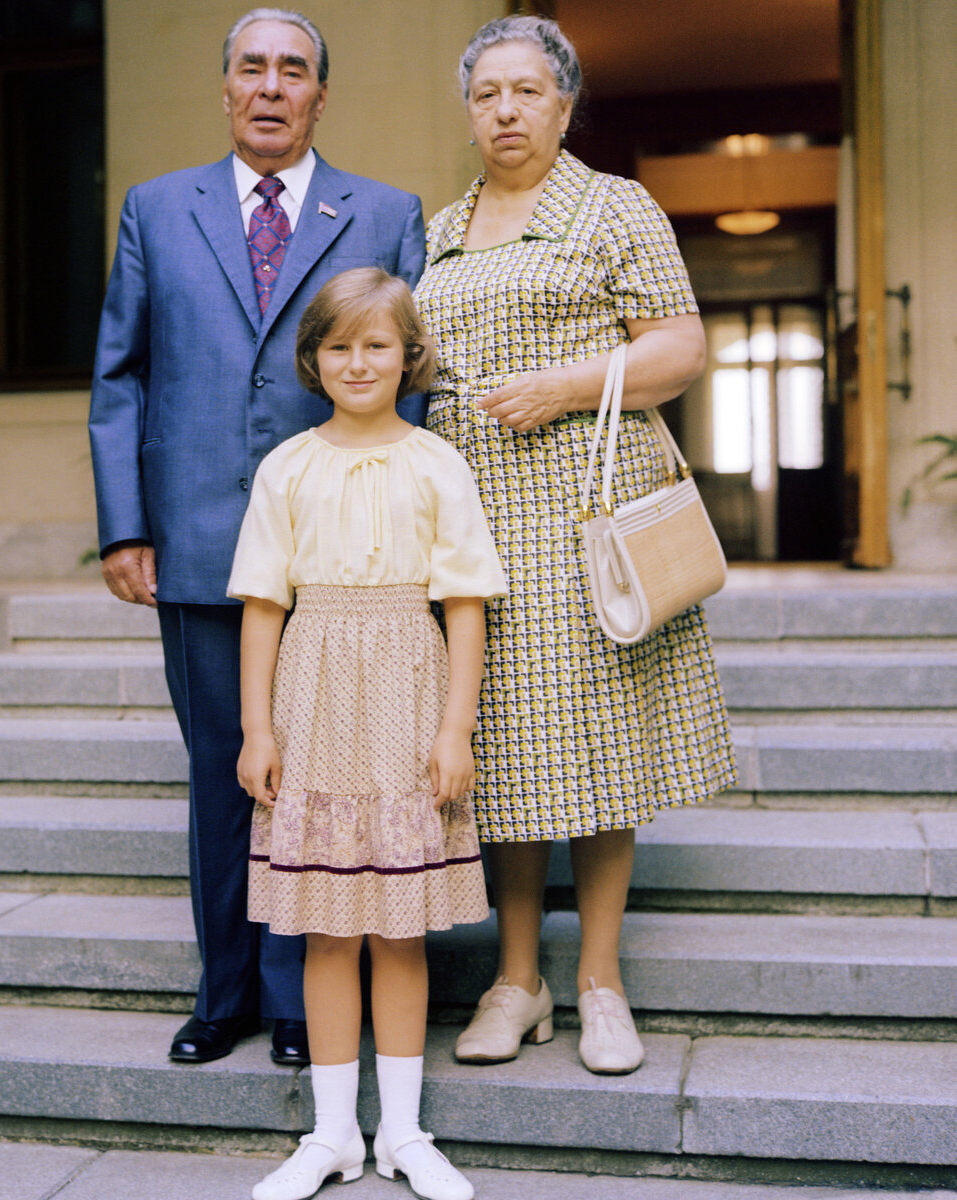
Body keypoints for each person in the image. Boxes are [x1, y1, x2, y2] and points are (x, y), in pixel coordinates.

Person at [88, 8, 425, 1068]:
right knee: (220, 771)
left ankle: (297, 1003)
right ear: (224, 88)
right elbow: (120, 376)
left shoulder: (384, 211)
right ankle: (221, 990)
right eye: (252, 69)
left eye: (293, 71)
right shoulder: (155, 207)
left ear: (320, 95)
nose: (271, 87)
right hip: (192, 542)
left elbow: (415, 385)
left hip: (341, 557)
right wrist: (124, 526)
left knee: (315, 772)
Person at [414, 16, 736, 1076]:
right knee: (502, 755)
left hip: (587, 518)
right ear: (469, 112)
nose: (504, 111)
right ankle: (518, 980)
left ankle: (598, 980)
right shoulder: (441, 228)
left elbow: (680, 344)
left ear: (563, 105)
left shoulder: (612, 206)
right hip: (474, 524)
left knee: (600, 750)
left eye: (526, 92)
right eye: (485, 95)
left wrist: (567, 384)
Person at [231, 268, 506, 1200]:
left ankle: (403, 1132)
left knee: (398, 933)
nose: (359, 362)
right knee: (325, 934)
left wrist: (454, 730)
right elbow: (265, 605)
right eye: (340, 346)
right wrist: (256, 729)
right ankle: (332, 1136)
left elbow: (465, 603)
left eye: (377, 345)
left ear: (408, 356)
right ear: (314, 358)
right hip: (313, 699)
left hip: (406, 695)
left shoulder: (437, 463)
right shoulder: (288, 467)